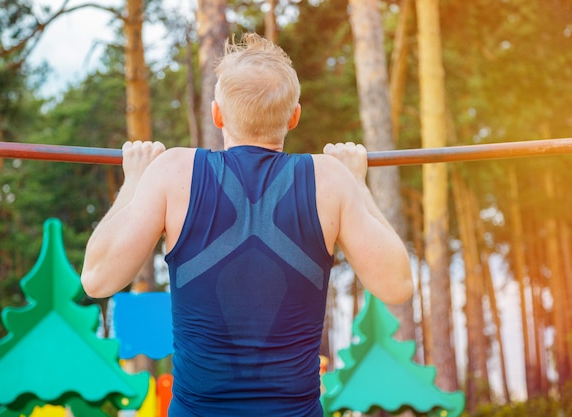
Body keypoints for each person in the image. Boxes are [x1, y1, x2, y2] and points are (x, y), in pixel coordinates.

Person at [81, 33, 413, 417]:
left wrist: (135, 181)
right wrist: (358, 184)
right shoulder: (331, 180)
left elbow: (96, 278)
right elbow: (399, 285)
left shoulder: (172, 172)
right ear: (294, 116)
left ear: (217, 114)